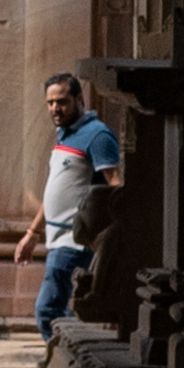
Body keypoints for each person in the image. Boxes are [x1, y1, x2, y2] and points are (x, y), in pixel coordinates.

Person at [33, 71, 122, 337]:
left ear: (78, 98)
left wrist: (113, 236)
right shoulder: (64, 134)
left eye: (61, 101)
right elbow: (56, 189)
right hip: (57, 238)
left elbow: (116, 186)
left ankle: (60, 360)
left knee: (47, 310)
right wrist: (31, 233)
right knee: (63, 312)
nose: (54, 109)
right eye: (50, 103)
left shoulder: (97, 136)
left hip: (74, 241)